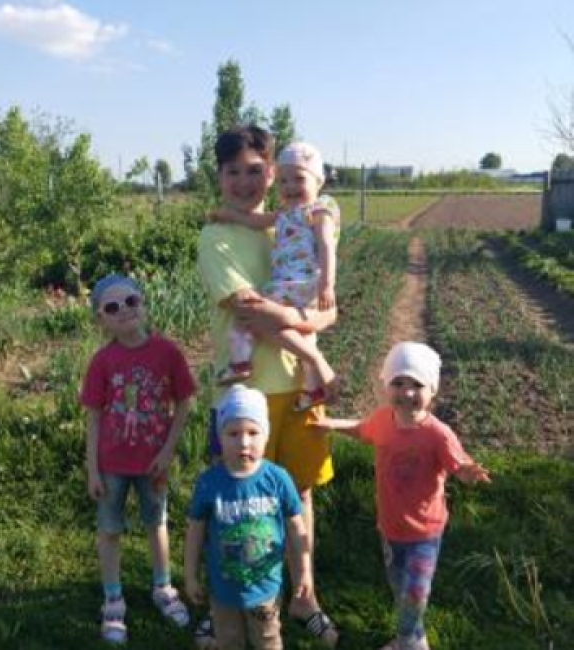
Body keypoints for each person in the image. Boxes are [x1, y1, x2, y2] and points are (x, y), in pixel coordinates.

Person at [197, 125, 339, 648]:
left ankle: (303, 594)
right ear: (219, 176)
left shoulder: (294, 223)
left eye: (255, 170)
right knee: (233, 500)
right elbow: (248, 310)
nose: (244, 181)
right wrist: (309, 325)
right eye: (233, 171)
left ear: (273, 173)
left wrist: (316, 320)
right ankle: (227, 602)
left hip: (298, 387)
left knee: (297, 493)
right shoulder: (216, 238)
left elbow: (329, 309)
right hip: (244, 393)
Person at [317, 341, 491, 650]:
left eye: (417, 385)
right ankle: (414, 637)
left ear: (432, 390)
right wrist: (331, 424)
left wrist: (467, 472)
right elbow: (361, 429)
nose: (407, 392)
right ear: (387, 385)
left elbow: (458, 464)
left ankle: (407, 641)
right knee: (400, 587)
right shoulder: (383, 421)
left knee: (415, 594)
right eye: (398, 383)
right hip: (390, 528)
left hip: (425, 533)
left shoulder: (438, 434)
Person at [80, 274, 196, 644]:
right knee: (109, 530)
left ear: (142, 303)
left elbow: (184, 402)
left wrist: (167, 451)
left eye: (130, 301)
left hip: (153, 462)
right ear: (101, 319)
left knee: (156, 522)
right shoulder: (102, 361)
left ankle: (163, 587)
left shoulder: (167, 352)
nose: (124, 311)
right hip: (111, 465)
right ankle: (113, 599)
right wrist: (93, 470)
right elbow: (93, 417)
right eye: (112, 307)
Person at [212, 141, 340, 412]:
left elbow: (327, 246)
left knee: (254, 319)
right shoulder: (285, 213)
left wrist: (327, 284)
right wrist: (228, 215)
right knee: (302, 331)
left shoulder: (318, 211)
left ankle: (240, 362)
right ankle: (312, 387)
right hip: (292, 282)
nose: (290, 187)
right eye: (284, 180)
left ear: (318, 182)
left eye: (299, 179)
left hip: (298, 281)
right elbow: (255, 221)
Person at [184, 385, 313, 650]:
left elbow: (296, 529)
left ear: (266, 436)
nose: (244, 442)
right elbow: (195, 532)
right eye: (233, 433)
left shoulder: (278, 480)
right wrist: (190, 575)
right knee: (229, 641)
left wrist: (303, 574)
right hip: (223, 592)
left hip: (266, 591)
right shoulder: (209, 483)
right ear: (220, 437)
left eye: (253, 433)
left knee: (267, 640)